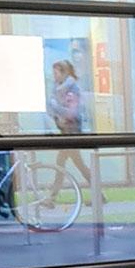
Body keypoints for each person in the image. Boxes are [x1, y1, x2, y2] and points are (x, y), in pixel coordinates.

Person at [45, 59, 97, 203]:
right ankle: (99, 195)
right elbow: (53, 111)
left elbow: (71, 113)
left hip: (72, 133)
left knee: (61, 164)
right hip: (65, 132)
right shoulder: (58, 89)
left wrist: (55, 107)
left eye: (56, 72)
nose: (54, 76)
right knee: (76, 165)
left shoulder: (71, 90)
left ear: (64, 73)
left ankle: (52, 198)